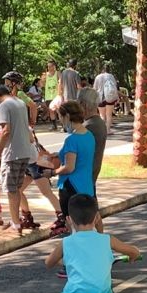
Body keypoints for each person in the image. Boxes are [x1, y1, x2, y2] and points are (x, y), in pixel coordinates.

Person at [0, 74, 39, 234]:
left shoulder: (4, 106)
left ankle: (16, 223)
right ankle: (17, 220)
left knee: (10, 190)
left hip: (12, 154)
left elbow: (6, 131)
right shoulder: (20, 102)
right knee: (17, 188)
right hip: (25, 152)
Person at [51, 101, 96, 235]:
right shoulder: (89, 135)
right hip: (86, 186)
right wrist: (59, 154)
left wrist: (52, 172)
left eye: (60, 116)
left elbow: (69, 167)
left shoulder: (71, 139)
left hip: (71, 187)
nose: (60, 120)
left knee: (73, 226)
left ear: (67, 116)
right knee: (88, 225)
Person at [92, 63, 120, 128]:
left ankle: (102, 130)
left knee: (102, 115)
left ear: (102, 69)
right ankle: (108, 130)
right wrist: (117, 97)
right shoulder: (111, 76)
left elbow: (94, 88)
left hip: (100, 98)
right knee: (109, 115)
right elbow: (115, 87)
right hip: (110, 97)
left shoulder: (98, 77)